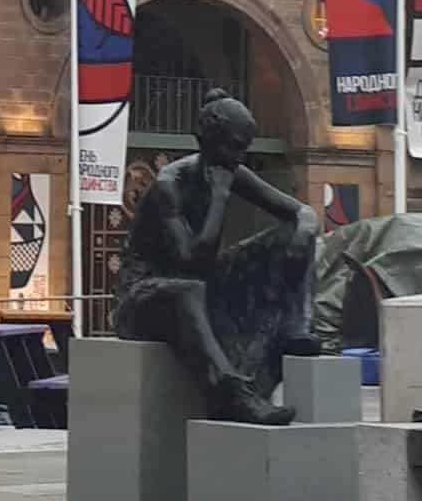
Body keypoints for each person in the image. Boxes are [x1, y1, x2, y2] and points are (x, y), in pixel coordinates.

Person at [114, 88, 320, 425]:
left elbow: (303, 213)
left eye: (243, 148)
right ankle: (229, 392)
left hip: (196, 285)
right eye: (233, 146)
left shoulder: (231, 168)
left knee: (291, 235)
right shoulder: (169, 185)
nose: (238, 157)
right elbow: (192, 263)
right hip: (143, 296)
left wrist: (301, 231)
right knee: (188, 290)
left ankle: (295, 329)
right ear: (204, 139)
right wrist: (221, 198)